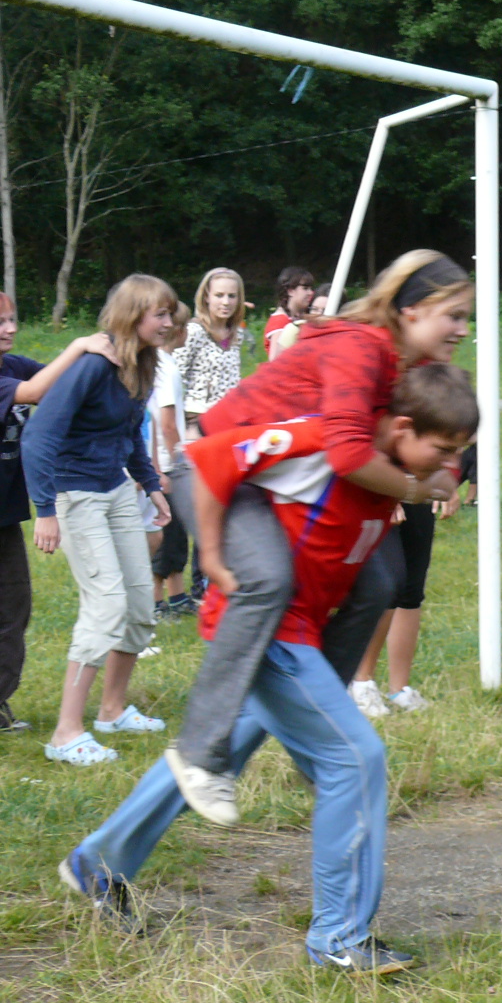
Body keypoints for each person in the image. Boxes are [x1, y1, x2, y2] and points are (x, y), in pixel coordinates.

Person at [61, 364, 479, 972]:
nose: (448, 465)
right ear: (402, 428)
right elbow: (205, 459)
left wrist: (423, 480)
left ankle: (96, 864)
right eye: (441, 450)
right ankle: (339, 937)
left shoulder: (392, 468)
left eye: (458, 454)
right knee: (356, 758)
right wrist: (212, 558)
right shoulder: (322, 442)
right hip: (267, 630)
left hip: (302, 633)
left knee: (216, 752)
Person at [162, 250, 470, 827]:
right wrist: (413, 487)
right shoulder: (362, 348)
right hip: (217, 470)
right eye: (453, 315)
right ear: (411, 309)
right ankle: (200, 752)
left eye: (465, 317)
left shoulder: (409, 365)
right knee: (266, 579)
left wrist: (442, 471)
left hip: (270, 478)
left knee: (379, 582)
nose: (462, 329)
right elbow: (348, 454)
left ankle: (312, 732)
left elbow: (429, 434)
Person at [23, 275, 176, 765]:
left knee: (139, 602)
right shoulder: (93, 365)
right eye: (160, 314)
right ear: (133, 316)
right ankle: (65, 733)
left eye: (170, 313)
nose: (169, 322)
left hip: (115, 489)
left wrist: (151, 485)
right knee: (106, 604)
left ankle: (111, 710)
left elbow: (130, 434)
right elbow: (39, 437)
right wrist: (46, 510)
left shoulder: (144, 363)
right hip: (75, 494)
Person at [0, 297, 120, 734]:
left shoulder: (12, 364)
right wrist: (79, 344)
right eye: (0, 322)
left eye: (12, 319)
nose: (10, 328)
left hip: (4, 516)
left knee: (14, 605)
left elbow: (60, 381)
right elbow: (34, 392)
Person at [348, 479, 461, 718]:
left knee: (412, 590)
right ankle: (362, 683)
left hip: (418, 489)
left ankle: (399, 690)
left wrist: (446, 483)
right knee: (388, 584)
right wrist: (387, 493)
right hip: (376, 487)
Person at [148, 307, 193, 617]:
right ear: (178, 331)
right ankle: (155, 601)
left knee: (176, 532)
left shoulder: (161, 362)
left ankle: (176, 596)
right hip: (165, 464)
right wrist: (177, 461)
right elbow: (167, 423)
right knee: (165, 532)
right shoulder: (165, 367)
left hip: (162, 461)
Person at [172, 267, 252, 424]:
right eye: (219, 295)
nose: (226, 302)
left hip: (230, 414)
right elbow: (175, 376)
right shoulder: (194, 331)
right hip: (197, 416)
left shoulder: (237, 333)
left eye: (232, 296)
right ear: (206, 297)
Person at [264, 266, 315, 361]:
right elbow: (275, 360)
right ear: (290, 291)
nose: (310, 293)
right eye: (305, 288)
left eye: (310, 288)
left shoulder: (296, 317)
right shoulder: (280, 320)